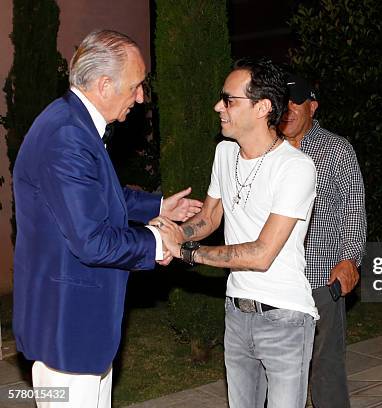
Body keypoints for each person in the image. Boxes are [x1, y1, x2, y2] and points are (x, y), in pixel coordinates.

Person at [12, 29, 202, 408]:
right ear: (103, 84)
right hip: (69, 330)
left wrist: (158, 206)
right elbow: (91, 239)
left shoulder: (73, 121)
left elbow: (96, 196)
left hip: (76, 326)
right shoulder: (68, 135)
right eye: (135, 86)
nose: (141, 96)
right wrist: (157, 241)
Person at [152, 58, 318, 408]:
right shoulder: (225, 153)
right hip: (236, 314)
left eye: (228, 100)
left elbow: (261, 254)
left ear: (262, 108)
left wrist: (187, 253)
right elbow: (210, 216)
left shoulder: (295, 167)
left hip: (285, 317)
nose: (218, 107)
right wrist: (170, 234)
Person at [278, 74, 366, 408]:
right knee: (279, 367)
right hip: (276, 279)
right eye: (281, 103)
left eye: (295, 103)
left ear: (312, 106)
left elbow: (353, 210)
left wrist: (349, 260)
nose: (287, 110)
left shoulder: (337, 150)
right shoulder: (268, 150)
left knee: (325, 366)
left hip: (320, 279)